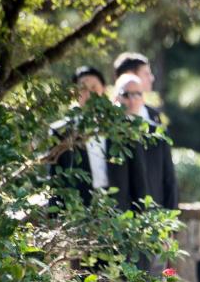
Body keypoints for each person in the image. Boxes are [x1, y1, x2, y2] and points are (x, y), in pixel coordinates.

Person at [49, 66, 147, 212]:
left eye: (94, 88)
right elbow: (55, 179)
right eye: (82, 88)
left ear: (104, 90)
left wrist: (141, 214)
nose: (89, 94)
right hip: (78, 210)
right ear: (73, 93)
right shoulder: (61, 131)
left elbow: (138, 178)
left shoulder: (122, 127)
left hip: (119, 209)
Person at [114, 73, 178, 212]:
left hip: (153, 217)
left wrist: (171, 219)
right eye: (126, 94)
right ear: (116, 98)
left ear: (143, 98)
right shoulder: (107, 133)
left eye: (137, 94)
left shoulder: (158, 133)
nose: (131, 100)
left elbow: (169, 180)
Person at [113, 52, 162, 124]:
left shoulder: (153, 115)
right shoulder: (108, 117)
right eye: (146, 74)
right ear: (129, 74)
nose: (151, 78)